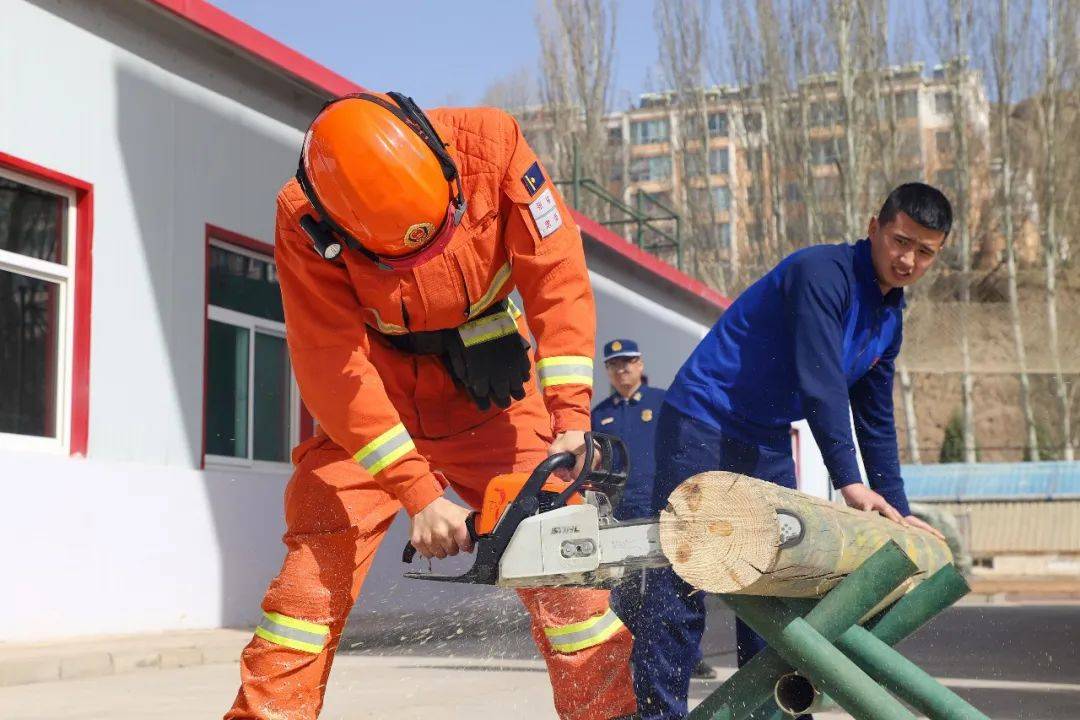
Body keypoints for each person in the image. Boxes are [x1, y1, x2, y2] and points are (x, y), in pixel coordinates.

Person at [225, 91, 635, 720]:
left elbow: (555, 279)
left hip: (493, 397)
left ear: (445, 169)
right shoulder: (302, 220)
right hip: (370, 408)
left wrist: (572, 420)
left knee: (570, 587)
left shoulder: (493, 147)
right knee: (306, 596)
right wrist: (418, 492)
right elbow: (330, 366)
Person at [624, 183, 951, 719]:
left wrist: (897, 508)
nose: (908, 259)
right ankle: (659, 714)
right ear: (874, 227)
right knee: (683, 574)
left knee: (775, 580)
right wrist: (850, 482)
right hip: (703, 419)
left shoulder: (890, 316)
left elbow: (875, 416)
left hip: (766, 434)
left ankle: (759, 713)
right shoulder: (821, 274)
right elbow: (821, 380)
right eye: (900, 241)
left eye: (926, 252)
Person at [591, 339, 716, 681]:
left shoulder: (662, 403)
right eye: (615, 365)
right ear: (607, 371)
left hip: (665, 507)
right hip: (622, 511)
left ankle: (691, 656)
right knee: (628, 590)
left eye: (628, 362)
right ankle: (634, 651)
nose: (622, 370)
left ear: (641, 365)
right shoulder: (600, 414)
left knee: (678, 585)